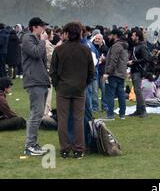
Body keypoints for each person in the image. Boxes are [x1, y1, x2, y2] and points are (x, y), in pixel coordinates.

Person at [50, 22, 94, 158]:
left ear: (67, 34)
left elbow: (53, 71)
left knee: (63, 120)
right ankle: (79, 149)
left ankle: (65, 148)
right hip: (79, 89)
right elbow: (91, 72)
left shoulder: (59, 50)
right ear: (80, 34)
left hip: (63, 89)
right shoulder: (85, 50)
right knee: (78, 119)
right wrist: (84, 84)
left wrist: (57, 85)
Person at [22, 17, 51, 156]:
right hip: (34, 81)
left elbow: (43, 60)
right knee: (36, 114)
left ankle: (33, 144)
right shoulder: (27, 38)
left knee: (38, 114)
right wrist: (43, 41)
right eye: (42, 26)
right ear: (34, 27)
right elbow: (36, 53)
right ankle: (29, 146)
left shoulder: (36, 40)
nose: (44, 29)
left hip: (42, 80)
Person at [103, 29, 129, 120]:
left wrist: (107, 73)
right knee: (121, 94)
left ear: (115, 35)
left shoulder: (116, 46)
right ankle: (122, 114)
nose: (109, 37)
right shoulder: (124, 46)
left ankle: (110, 115)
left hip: (114, 74)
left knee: (110, 94)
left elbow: (114, 61)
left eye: (110, 35)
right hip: (121, 73)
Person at [128, 28, 151, 118]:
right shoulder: (135, 46)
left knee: (138, 91)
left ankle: (143, 111)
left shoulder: (141, 46)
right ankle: (138, 110)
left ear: (137, 36)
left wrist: (134, 62)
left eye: (133, 35)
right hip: (134, 70)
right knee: (136, 90)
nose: (132, 36)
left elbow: (146, 59)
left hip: (138, 70)